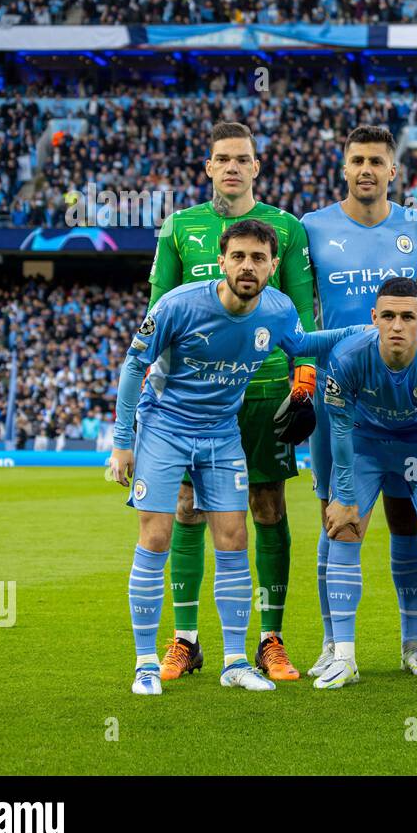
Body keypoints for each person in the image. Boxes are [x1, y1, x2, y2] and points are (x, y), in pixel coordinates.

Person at [110, 220, 352, 696]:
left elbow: (301, 346)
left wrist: (368, 330)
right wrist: (123, 441)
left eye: (258, 259)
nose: (248, 266)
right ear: (221, 261)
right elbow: (135, 363)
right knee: (156, 536)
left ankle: (235, 661)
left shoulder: (280, 309)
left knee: (234, 538)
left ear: (273, 266)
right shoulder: (179, 304)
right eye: (238, 256)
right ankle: (144, 664)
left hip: (222, 433)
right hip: (165, 427)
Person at [147, 121, 316, 684]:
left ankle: (270, 639)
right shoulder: (179, 227)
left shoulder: (286, 230)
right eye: (223, 158)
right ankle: (186, 640)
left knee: (268, 507)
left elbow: (303, 314)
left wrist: (304, 382)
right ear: (209, 166)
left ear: (256, 167)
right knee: (188, 509)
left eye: (243, 159)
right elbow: (157, 311)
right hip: (194, 400)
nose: (233, 167)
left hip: (265, 391)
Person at [302, 125, 417, 679]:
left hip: (406, 401)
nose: (366, 168)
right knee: (335, 518)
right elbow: (297, 308)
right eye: (356, 159)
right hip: (339, 398)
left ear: (392, 170)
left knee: (407, 517)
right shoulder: (312, 227)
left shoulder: (416, 225)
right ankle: (334, 646)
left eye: (376, 161)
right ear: (343, 167)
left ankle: (412, 644)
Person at [316, 277, 417, 689]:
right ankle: (344, 657)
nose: (396, 325)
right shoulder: (346, 358)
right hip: (366, 447)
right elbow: (340, 434)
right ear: (373, 319)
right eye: (387, 316)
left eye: (406, 316)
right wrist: (343, 496)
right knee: (343, 530)